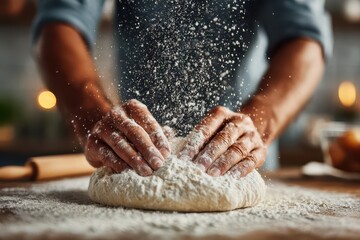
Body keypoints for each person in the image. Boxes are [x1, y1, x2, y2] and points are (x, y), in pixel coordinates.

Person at [33, 0, 332, 179]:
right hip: (132, 166)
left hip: (242, 166)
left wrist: (259, 124)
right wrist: (93, 117)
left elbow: (304, 39)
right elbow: (59, 24)